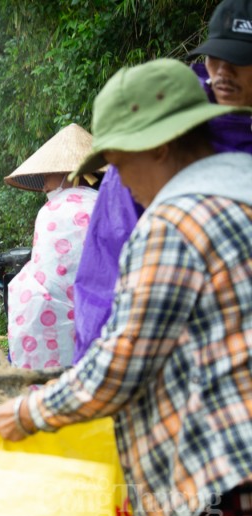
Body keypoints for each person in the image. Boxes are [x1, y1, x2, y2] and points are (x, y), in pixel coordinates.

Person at [0, 58, 252, 516]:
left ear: (162, 146)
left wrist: (28, 411)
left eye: (121, 165)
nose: (119, 185)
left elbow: (123, 362)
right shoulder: (238, 197)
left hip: (221, 472)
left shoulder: (172, 225)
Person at [72, 0, 252, 366]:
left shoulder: (169, 204)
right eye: (215, 57)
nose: (222, 71)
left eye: (240, 58)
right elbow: (106, 278)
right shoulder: (152, 141)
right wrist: (91, 361)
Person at [2, 124, 99, 369]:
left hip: (57, 331)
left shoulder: (53, 211)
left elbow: (47, 280)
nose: (45, 184)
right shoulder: (104, 204)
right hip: (101, 327)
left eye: (49, 174)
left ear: (69, 172)